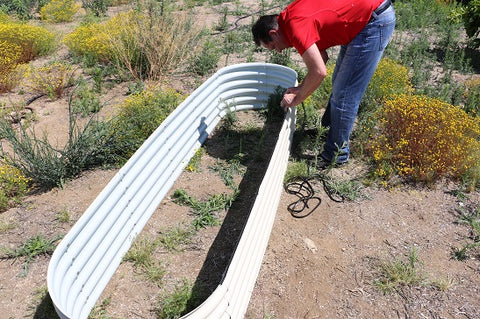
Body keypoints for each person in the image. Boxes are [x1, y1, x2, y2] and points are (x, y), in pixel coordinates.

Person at [252, 0, 396, 168]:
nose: (278, 51)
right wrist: (300, 88)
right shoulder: (288, 19)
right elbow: (322, 58)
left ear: (274, 33)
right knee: (339, 86)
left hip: (372, 21)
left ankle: (336, 155)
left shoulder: (295, 27)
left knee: (344, 95)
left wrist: (298, 98)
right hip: (361, 19)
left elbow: (319, 72)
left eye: (273, 46)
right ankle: (327, 132)